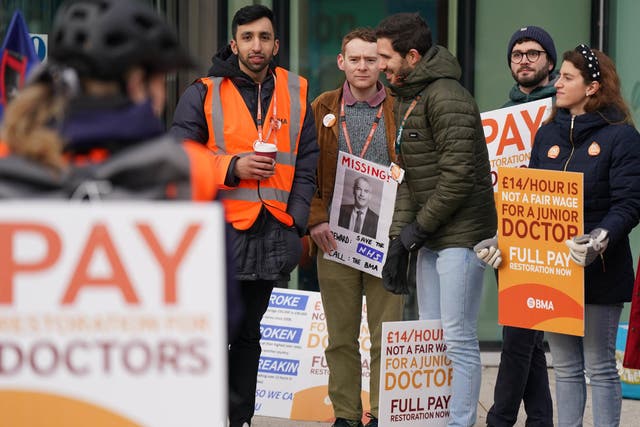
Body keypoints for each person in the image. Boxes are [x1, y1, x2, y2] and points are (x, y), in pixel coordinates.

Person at [0, 0, 243, 390]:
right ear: (136, 82)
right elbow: (222, 314)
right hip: (148, 396)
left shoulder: (8, 161)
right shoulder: (187, 170)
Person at [169, 5, 319, 427]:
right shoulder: (204, 91)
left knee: (251, 335)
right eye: (248, 37)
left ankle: (240, 419)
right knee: (216, 335)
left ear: (276, 44)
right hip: (219, 233)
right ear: (234, 44)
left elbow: (307, 163)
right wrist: (232, 167)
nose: (257, 45)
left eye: (264, 37)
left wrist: (295, 219)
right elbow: (180, 157)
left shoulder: (297, 91)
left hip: (273, 231)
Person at [376, 13, 497, 427]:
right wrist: (400, 237)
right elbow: (411, 177)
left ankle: (459, 422)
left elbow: (458, 176)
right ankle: (432, 418)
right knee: (431, 336)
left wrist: (417, 230)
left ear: (411, 56)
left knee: (457, 337)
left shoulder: (447, 96)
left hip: (462, 238)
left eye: (385, 57)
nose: (380, 66)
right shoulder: (410, 95)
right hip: (431, 237)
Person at [532, 45, 640, 427]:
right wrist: (504, 241)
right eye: (559, 76)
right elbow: (530, 200)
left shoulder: (621, 137)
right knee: (564, 366)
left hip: (601, 268)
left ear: (592, 87)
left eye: (567, 77)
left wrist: (600, 237)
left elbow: (629, 203)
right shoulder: (546, 134)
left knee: (599, 366)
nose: (557, 83)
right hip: (555, 270)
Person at [308, 27, 404, 427]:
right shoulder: (322, 107)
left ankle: (381, 414)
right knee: (341, 336)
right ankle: (346, 415)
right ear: (341, 62)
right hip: (334, 238)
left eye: (371, 59)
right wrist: (314, 218)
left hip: (387, 239)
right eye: (355, 59)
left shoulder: (402, 107)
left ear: (382, 63)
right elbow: (304, 169)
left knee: (386, 337)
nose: (363, 66)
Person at [484, 25, 557, 427]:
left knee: (518, 336)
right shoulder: (501, 117)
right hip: (506, 235)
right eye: (517, 54)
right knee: (527, 338)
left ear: (550, 60)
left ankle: (501, 418)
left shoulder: (563, 112)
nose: (524, 59)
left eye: (533, 52)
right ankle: (541, 419)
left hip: (549, 234)